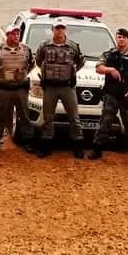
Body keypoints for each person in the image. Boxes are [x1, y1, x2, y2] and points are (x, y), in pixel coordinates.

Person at [34, 19, 86, 158]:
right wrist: (47, 73)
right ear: (53, 29)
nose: (60, 31)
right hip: (50, 87)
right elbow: (38, 61)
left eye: (62, 28)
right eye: (57, 28)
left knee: (74, 117)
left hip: (67, 87)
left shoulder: (73, 46)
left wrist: (72, 72)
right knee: (48, 118)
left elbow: (80, 61)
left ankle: (77, 146)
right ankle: (46, 146)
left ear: (66, 30)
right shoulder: (44, 46)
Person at [93, 27, 128, 163]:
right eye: (119, 37)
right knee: (105, 123)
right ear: (116, 39)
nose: (121, 39)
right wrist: (110, 70)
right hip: (111, 95)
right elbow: (98, 68)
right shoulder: (109, 54)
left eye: (124, 37)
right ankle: (97, 149)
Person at [0, 24, 35, 153]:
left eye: (18, 34)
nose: (16, 36)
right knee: (1, 115)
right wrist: (1, 75)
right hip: (4, 88)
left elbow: (31, 64)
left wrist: (22, 75)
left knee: (24, 115)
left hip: (20, 88)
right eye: (13, 34)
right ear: (7, 35)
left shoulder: (26, 49)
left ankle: (28, 141)